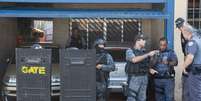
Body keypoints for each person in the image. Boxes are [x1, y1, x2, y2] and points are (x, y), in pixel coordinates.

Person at [125, 34, 157, 101]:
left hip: (144, 77)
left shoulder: (144, 51)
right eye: (143, 40)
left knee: (142, 98)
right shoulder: (129, 51)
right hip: (134, 78)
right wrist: (148, 54)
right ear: (138, 41)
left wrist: (150, 69)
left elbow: (145, 64)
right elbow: (134, 60)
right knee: (131, 98)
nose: (145, 41)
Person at [175, 17, 201, 101]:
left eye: (182, 32)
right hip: (197, 71)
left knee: (195, 96)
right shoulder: (198, 39)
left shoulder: (192, 42)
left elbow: (190, 57)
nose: (182, 35)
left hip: (195, 73)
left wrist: (183, 66)